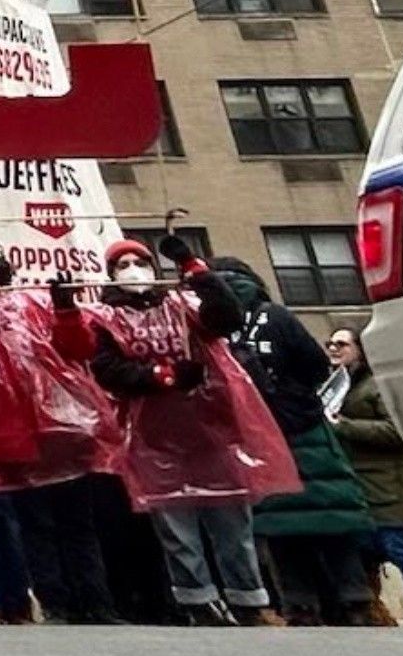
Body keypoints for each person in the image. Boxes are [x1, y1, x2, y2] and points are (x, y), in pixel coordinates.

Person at [79, 235, 298, 627]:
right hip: (153, 435)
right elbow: (107, 370)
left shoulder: (184, 305)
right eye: (123, 264)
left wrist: (193, 268)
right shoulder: (104, 319)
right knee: (177, 526)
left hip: (210, 426)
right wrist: (162, 376)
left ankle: (248, 598)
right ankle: (198, 599)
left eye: (140, 262)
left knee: (231, 516)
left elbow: (227, 317)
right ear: (111, 275)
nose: (134, 270)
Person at [0, 235, 123, 625]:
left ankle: (98, 602)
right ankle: (57, 603)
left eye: (0, 255)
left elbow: (79, 347)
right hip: (14, 433)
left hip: (63, 427)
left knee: (78, 522)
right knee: (37, 525)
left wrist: (66, 307)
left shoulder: (37, 301)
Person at [213, 259, 375, 624]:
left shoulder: (212, 328)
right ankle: (355, 600)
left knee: (280, 529)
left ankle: (301, 605)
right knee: (333, 520)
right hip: (306, 429)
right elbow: (317, 366)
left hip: (256, 435)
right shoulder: (277, 316)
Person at [327, 337, 403, 626]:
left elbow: (398, 430)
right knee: (370, 552)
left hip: (398, 491)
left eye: (342, 344)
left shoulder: (376, 386)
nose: (333, 348)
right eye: (329, 343)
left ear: (361, 350)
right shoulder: (341, 386)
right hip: (370, 493)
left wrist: (343, 425)